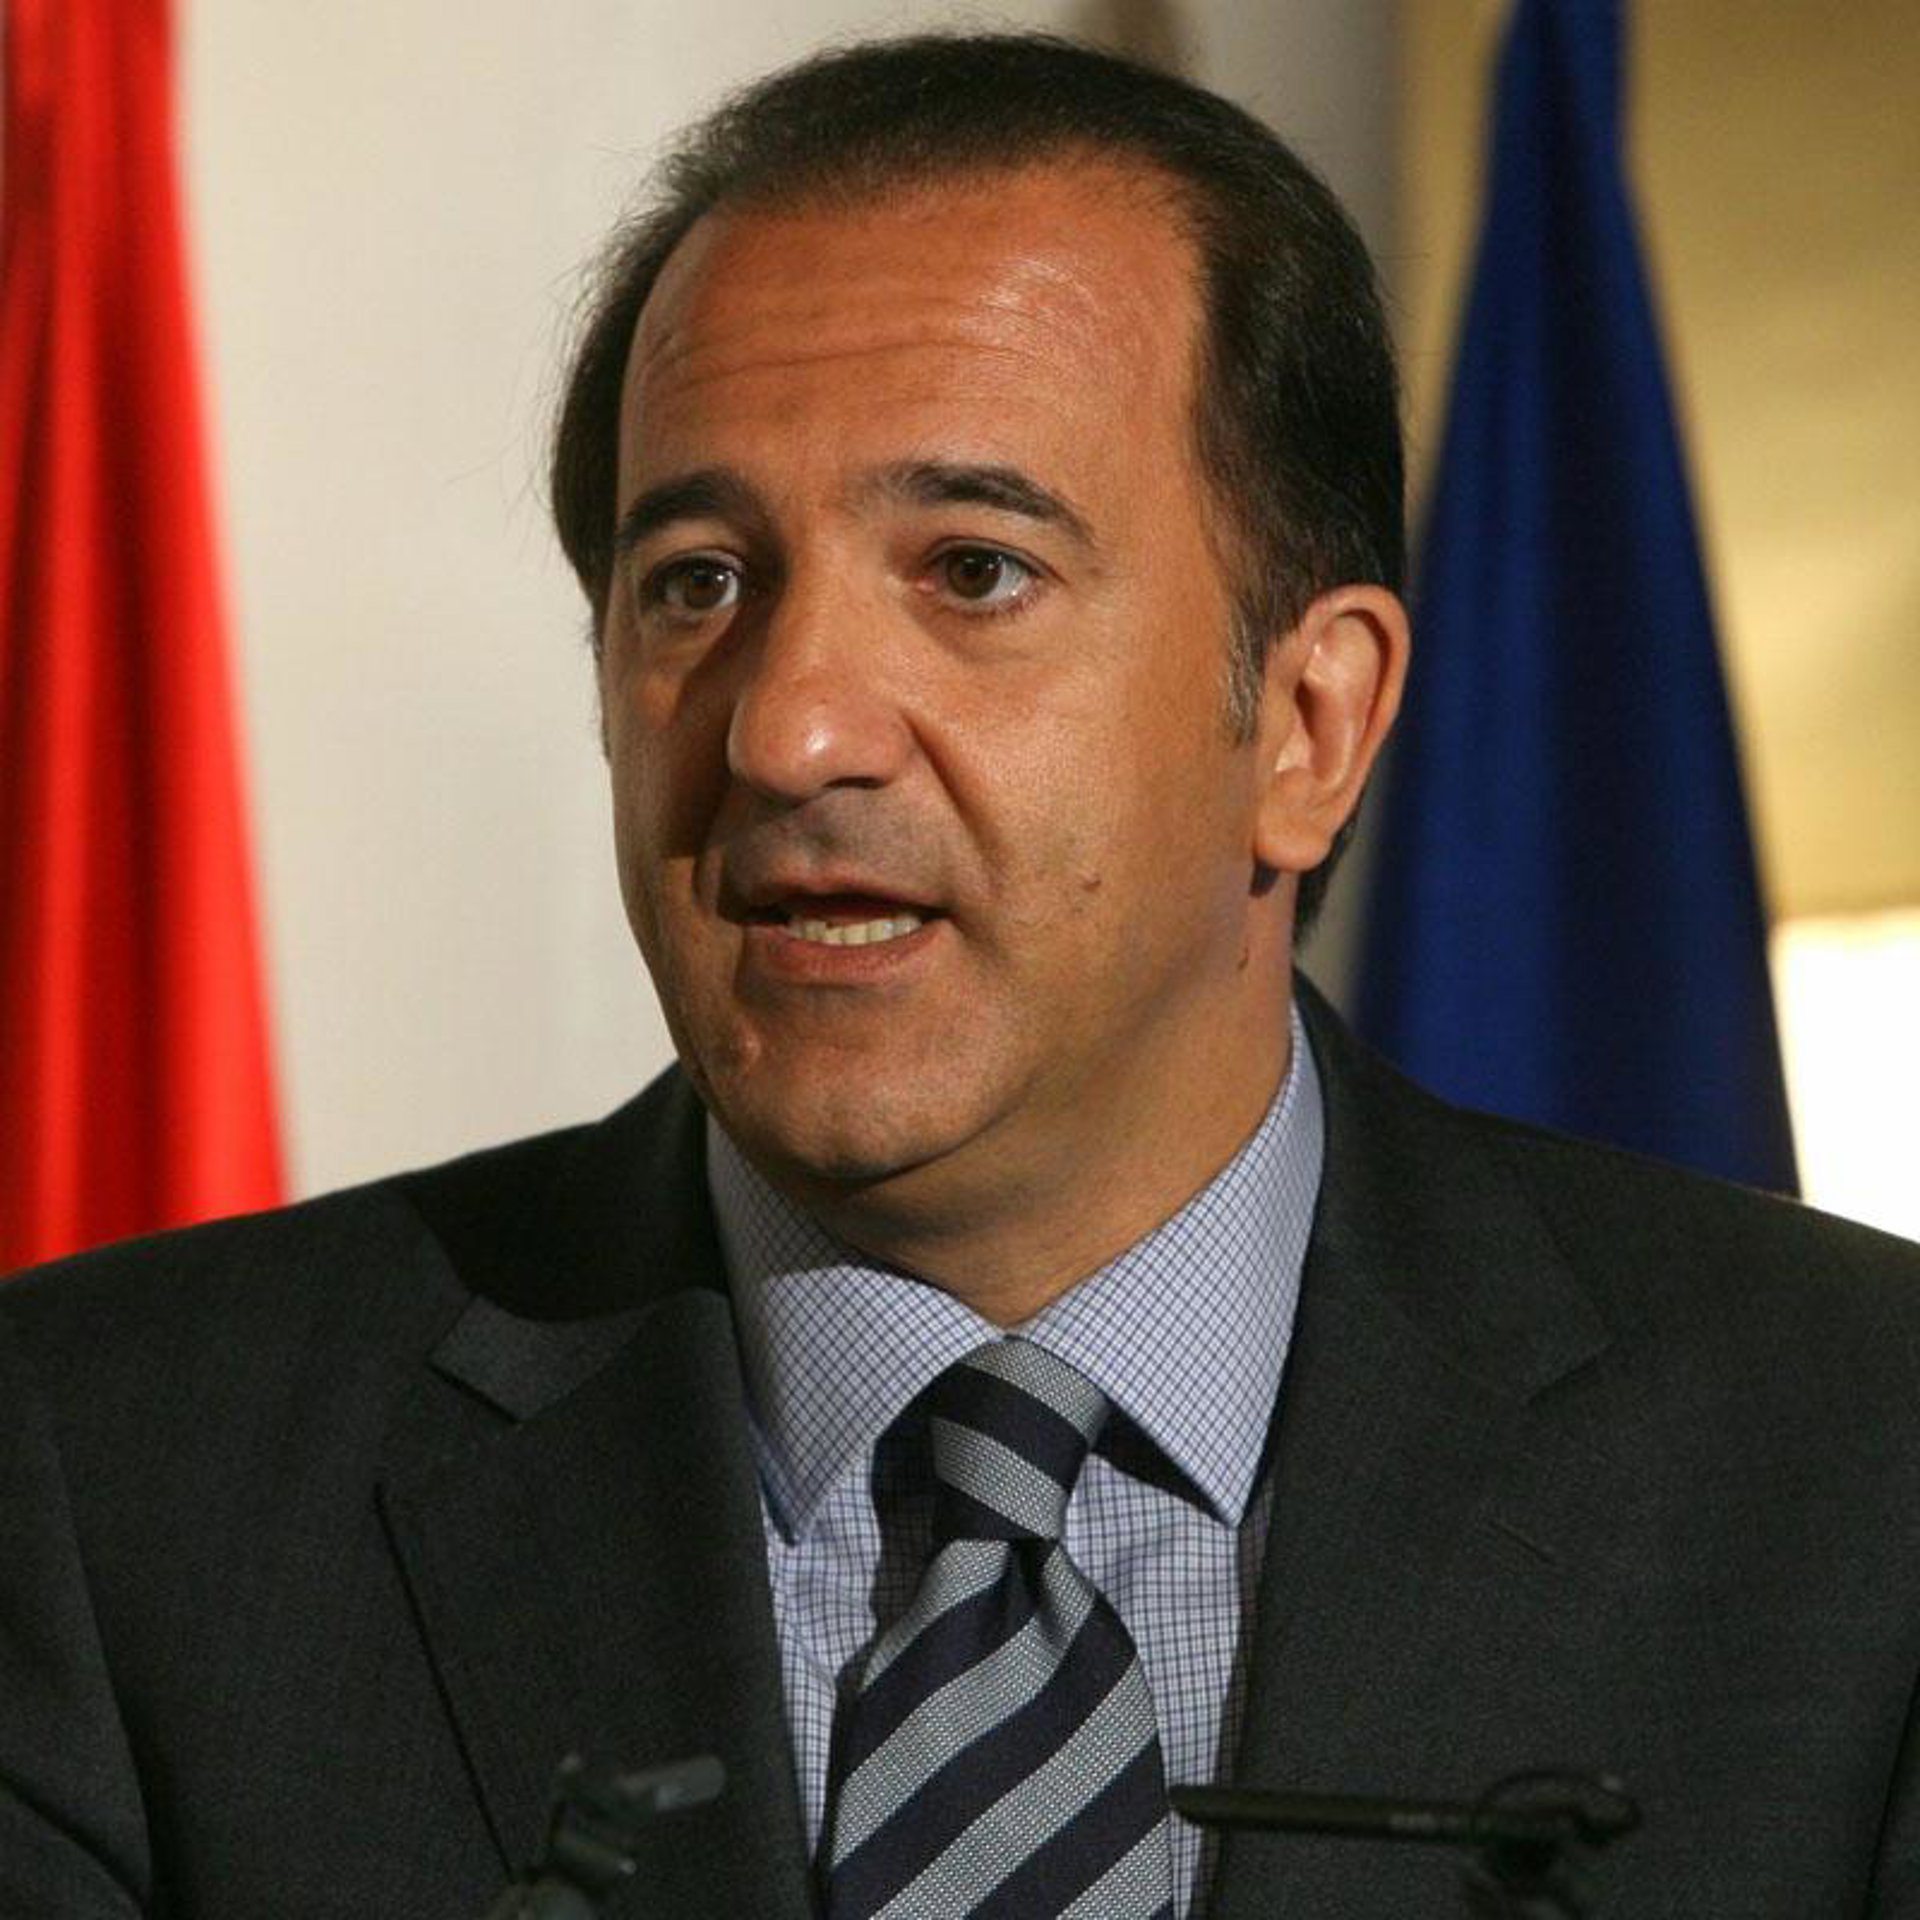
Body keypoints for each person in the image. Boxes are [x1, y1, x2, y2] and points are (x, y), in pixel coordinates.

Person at [2, 30, 1917, 1920]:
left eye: (975, 571)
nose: (789, 731)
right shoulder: (112, 1483)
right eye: (697, 582)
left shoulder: (1861, 1470)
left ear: (1310, 724)